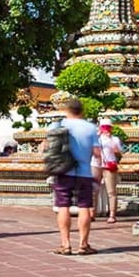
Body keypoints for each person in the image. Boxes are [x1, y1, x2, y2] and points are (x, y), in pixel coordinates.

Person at [50, 98, 100, 256]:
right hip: (85, 172)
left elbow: (46, 147)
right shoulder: (91, 128)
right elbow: (97, 153)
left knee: (63, 206)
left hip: (64, 171)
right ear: (82, 111)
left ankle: (65, 244)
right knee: (84, 207)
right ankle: (83, 245)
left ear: (67, 110)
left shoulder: (58, 125)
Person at [91, 119, 123, 224]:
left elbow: (119, 153)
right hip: (96, 164)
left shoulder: (115, 139)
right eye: (104, 127)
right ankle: (92, 212)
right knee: (94, 190)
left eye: (108, 127)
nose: (106, 129)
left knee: (111, 191)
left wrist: (115, 149)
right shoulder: (96, 139)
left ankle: (112, 214)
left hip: (109, 165)